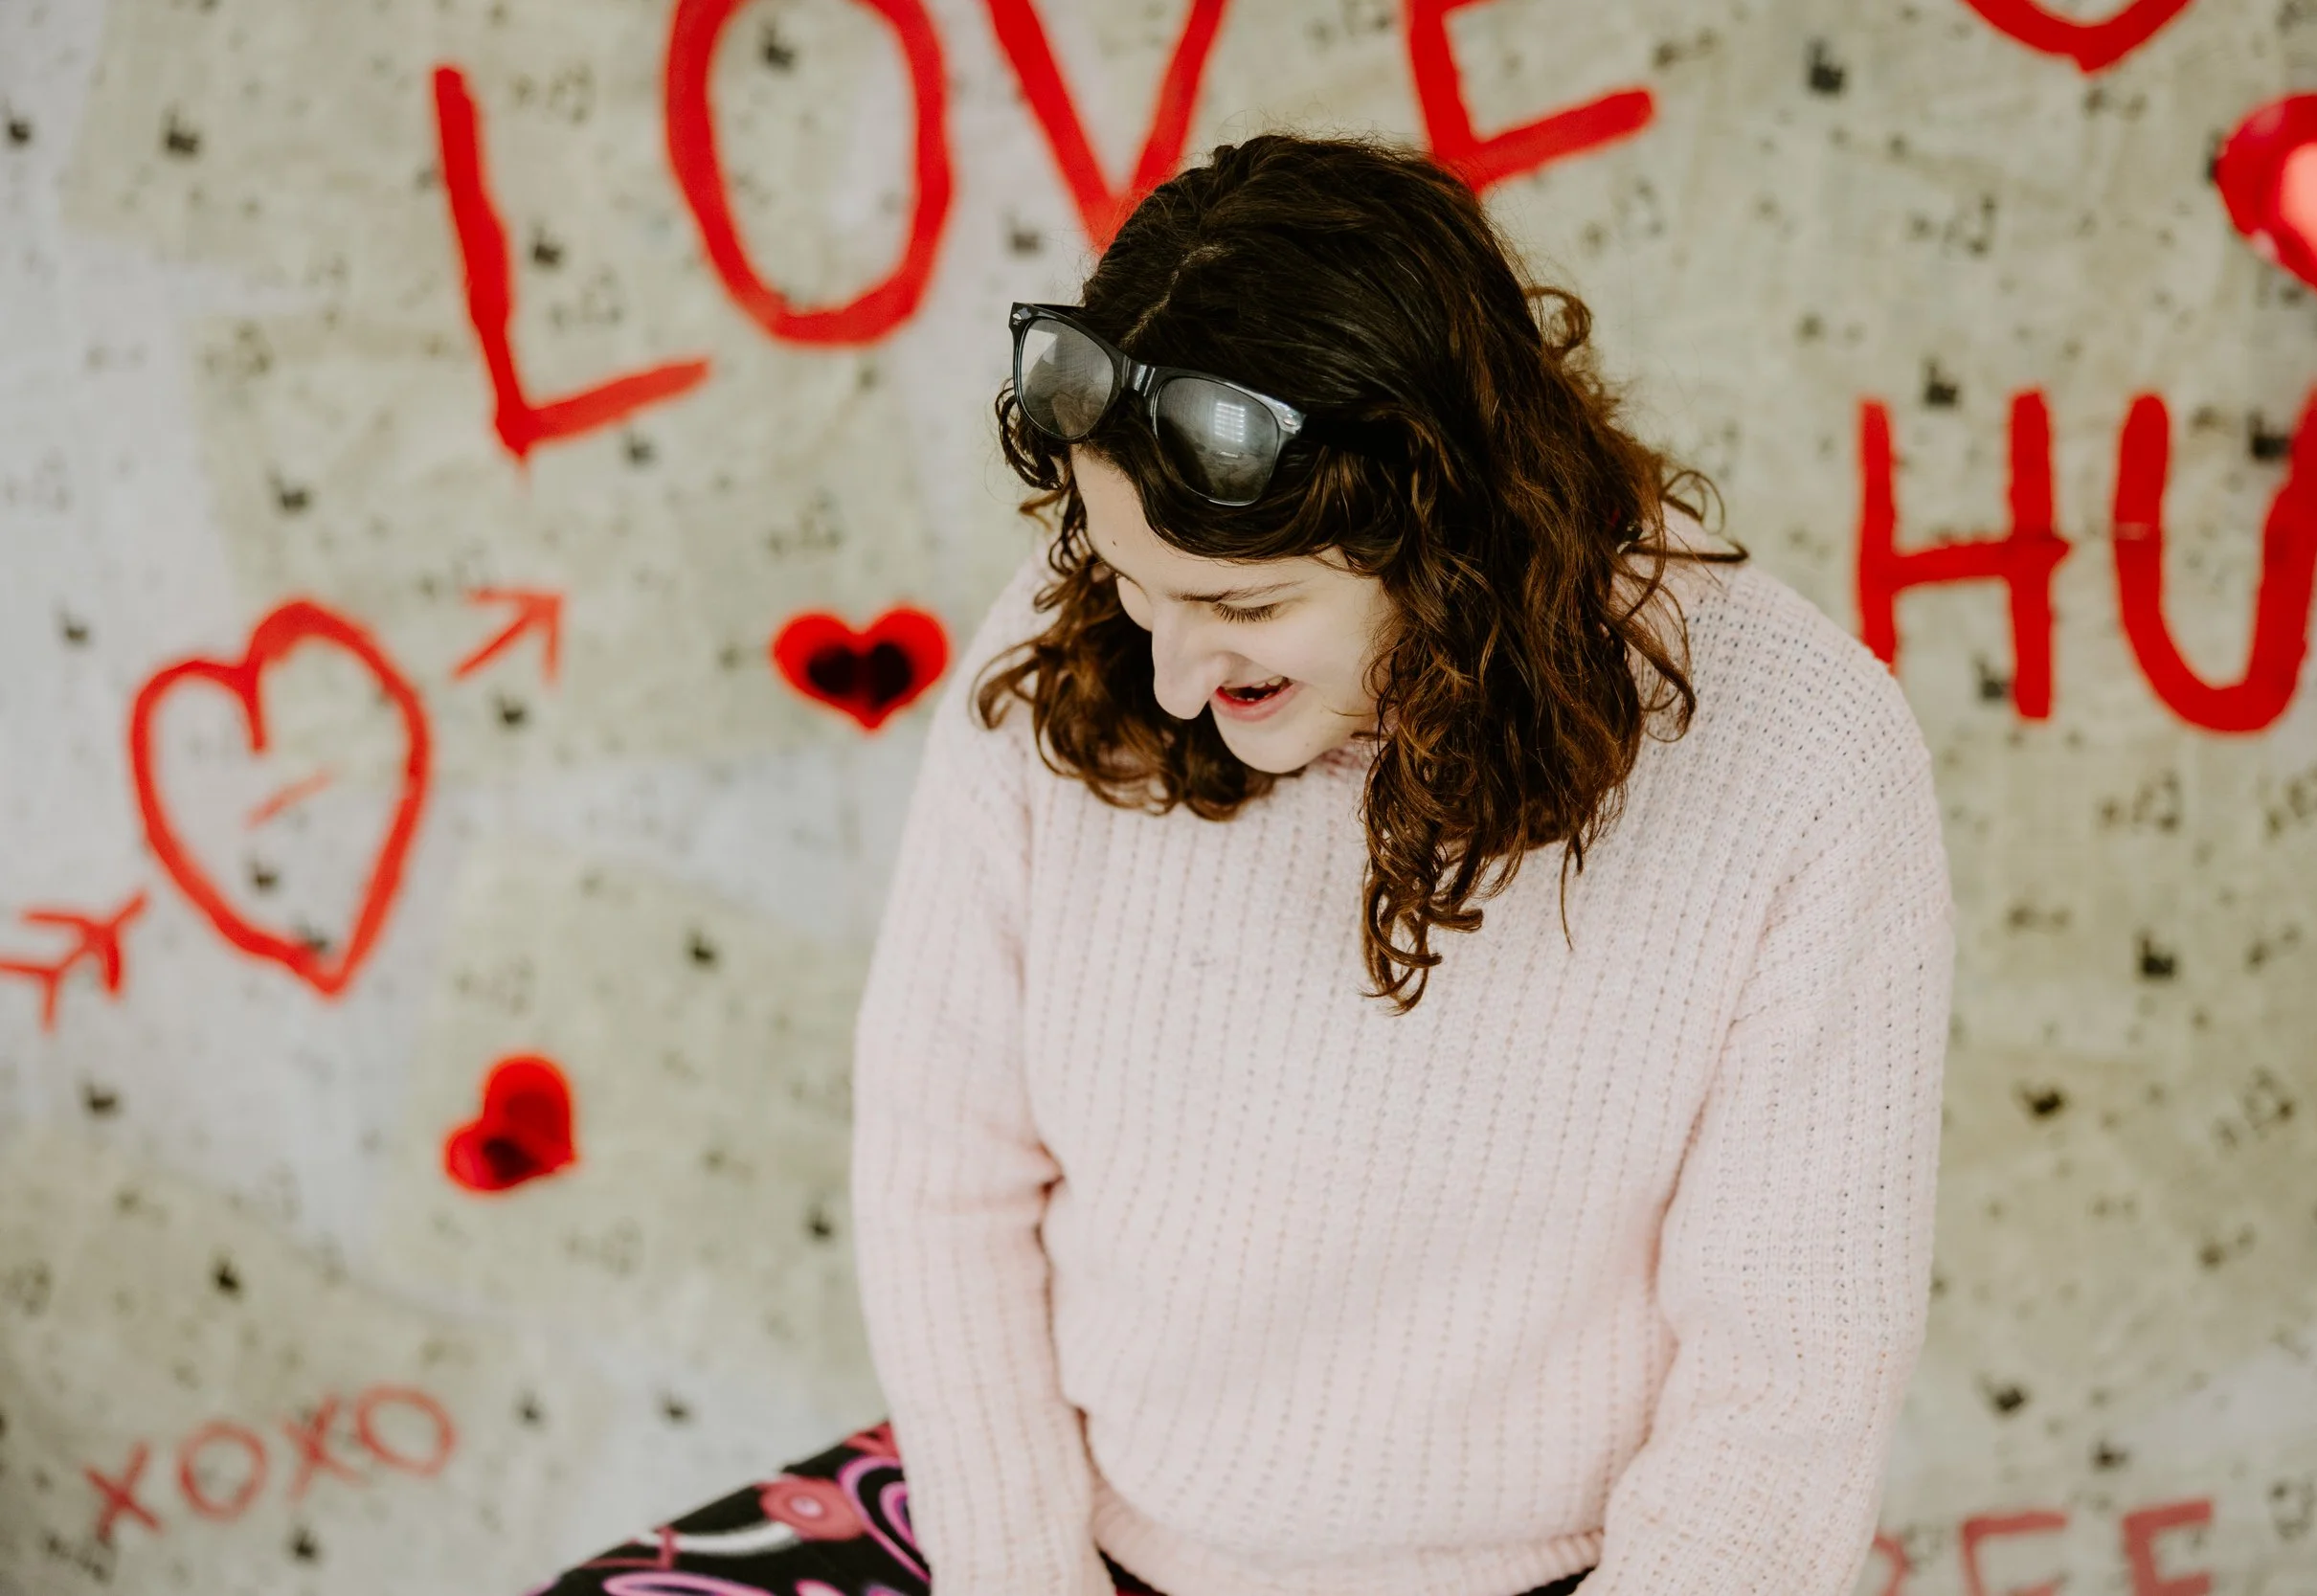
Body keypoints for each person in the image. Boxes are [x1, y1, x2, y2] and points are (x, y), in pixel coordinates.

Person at [536, 133, 1952, 1596]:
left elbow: (1790, 1371)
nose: (1165, 676)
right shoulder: (1069, 649)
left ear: (1446, 525)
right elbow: (939, 1176)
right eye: (1129, 584)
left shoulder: (1805, 760)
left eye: (1243, 603)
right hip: (1065, 1535)